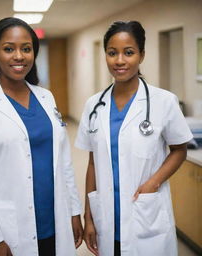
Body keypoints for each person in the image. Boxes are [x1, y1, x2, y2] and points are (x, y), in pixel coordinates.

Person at [0, 17, 83, 256]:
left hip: (55, 220)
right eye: (8, 49)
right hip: (7, 229)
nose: (19, 56)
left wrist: (74, 210)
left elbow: (63, 161)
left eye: (26, 49)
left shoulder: (46, 97)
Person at [75, 21, 193, 256]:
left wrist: (154, 182)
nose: (120, 60)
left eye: (128, 52)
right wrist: (89, 217)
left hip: (145, 214)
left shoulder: (164, 101)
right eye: (112, 53)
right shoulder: (94, 105)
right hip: (107, 218)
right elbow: (92, 164)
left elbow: (180, 149)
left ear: (141, 55)